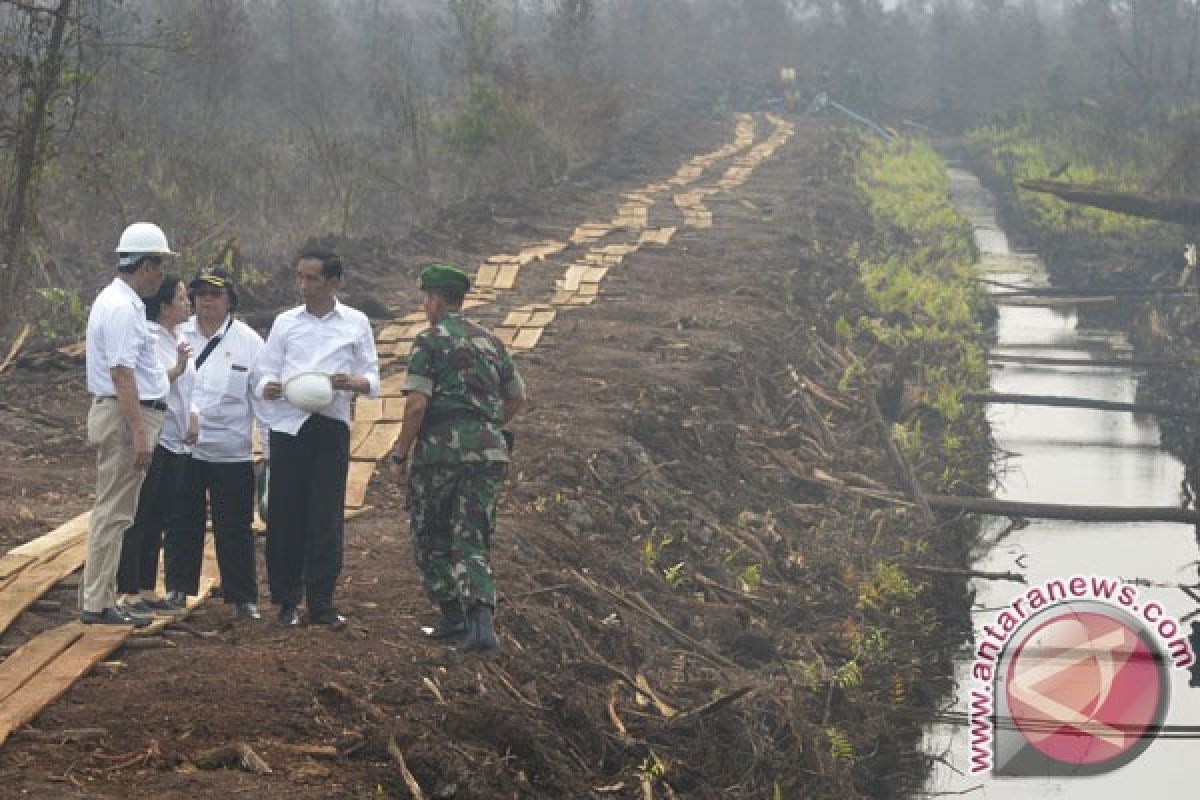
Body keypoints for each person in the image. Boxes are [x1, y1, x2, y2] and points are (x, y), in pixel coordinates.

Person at [389, 264, 526, 654]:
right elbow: (518, 397)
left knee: (430, 534)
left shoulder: (430, 341)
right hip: (489, 452)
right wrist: (486, 426)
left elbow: (417, 404)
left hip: (440, 454)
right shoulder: (491, 342)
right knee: (472, 536)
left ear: (434, 299)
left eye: (426, 298)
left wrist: (400, 453)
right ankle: (481, 624)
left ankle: (451, 614)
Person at [257, 246, 379, 628]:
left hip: (330, 424)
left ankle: (322, 601)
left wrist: (352, 382)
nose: (304, 285)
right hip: (288, 425)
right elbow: (265, 372)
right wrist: (271, 387)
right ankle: (287, 600)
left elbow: (373, 377)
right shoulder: (285, 323)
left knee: (325, 515)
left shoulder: (356, 323)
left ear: (334, 282)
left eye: (312, 278)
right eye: (300, 277)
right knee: (285, 512)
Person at [81, 222, 176, 627]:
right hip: (124, 416)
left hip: (127, 412)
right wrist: (139, 430)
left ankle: (100, 598)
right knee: (115, 512)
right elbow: (122, 373)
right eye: (160, 265)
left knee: (116, 509)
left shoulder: (122, 302)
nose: (162, 276)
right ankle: (98, 602)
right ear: (146, 265)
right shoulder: (121, 308)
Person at [163, 267, 265, 619]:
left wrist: (268, 452)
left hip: (232, 452)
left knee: (235, 526)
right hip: (185, 448)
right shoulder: (176, 335)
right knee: (181, 521)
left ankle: (243, 598)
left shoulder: (249, 342)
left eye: (215, 294)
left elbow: (262, 401)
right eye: (200, 293)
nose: (207, 300)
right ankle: (177, 588)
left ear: (229, 300)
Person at [115, 276, 196, 614]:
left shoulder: (177, 337)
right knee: (141, 513)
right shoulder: (150, 337)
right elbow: (149, 384)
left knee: (160, 514)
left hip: (176, 438)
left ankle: (148, 588)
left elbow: (189, 389)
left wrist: (194, 413)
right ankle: (129, 589)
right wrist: (176, 368)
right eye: (181, 298)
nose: (188, 303)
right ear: (163, 306)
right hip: (156, 435)